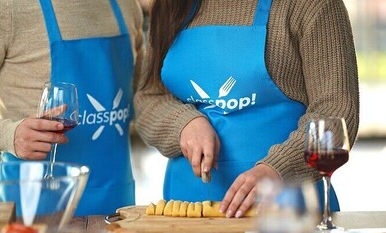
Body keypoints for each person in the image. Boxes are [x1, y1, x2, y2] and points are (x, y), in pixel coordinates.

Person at [134, 0, 359, 218]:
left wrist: (278, 169)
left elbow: (335, 111)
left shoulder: (311, 5)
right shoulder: (169, 5)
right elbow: (149, 98)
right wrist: (183, 123)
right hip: (184, 213)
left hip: (287, 212)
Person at [0, 0, 144, 215]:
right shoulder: (3, 8)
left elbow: (144, 95)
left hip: (117, 206)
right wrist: (8, 135)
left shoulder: (126, 5)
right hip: (35, 210)